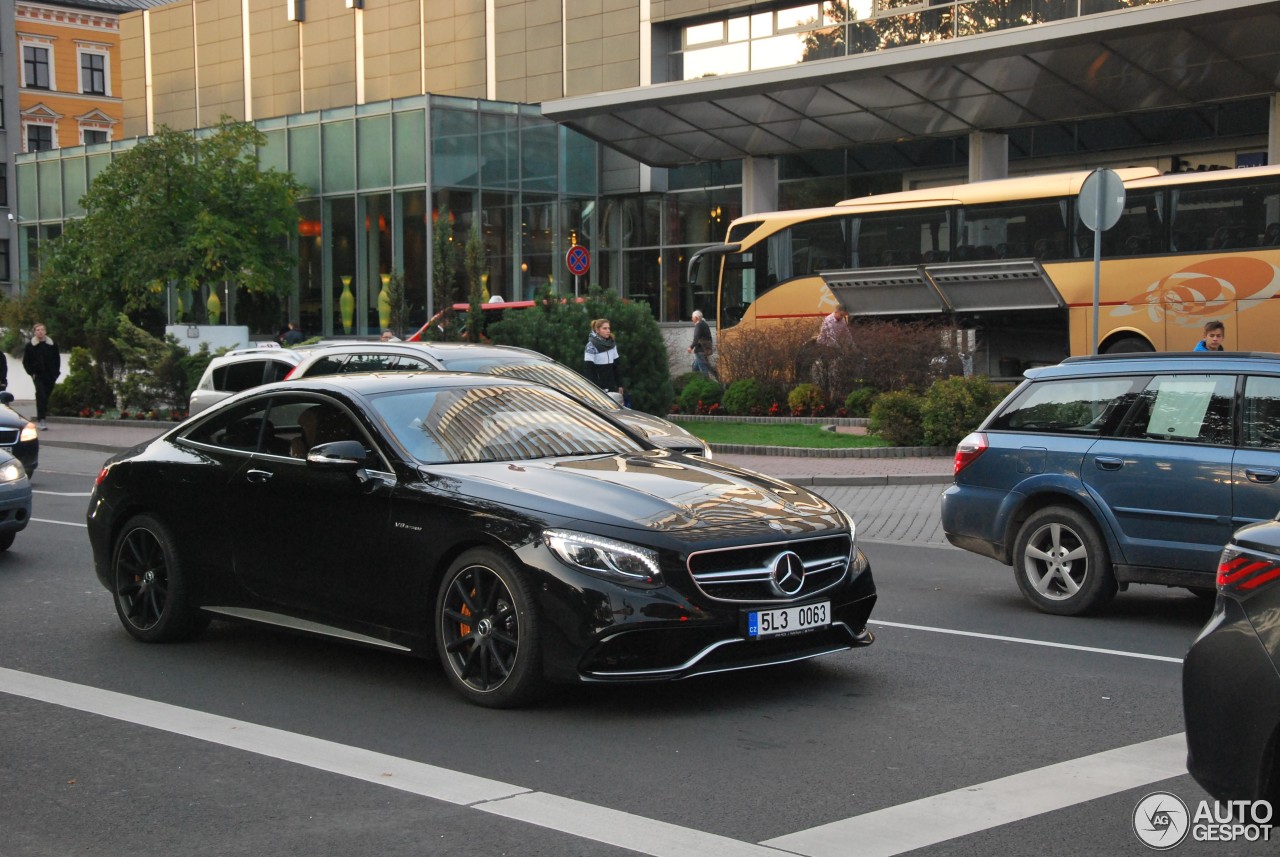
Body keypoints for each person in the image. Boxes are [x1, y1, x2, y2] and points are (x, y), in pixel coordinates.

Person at [23, 323, 60, 430]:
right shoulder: (30, 346)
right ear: (34, 332)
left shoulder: (52, 345)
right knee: (41, 395)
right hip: (38, 375)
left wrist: (55, 374)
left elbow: (57, 360)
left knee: (46, 397)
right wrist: (32, 373)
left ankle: (43, 415)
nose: (40, 331)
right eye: (38, 330)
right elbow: (26, 362)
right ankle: (41, 420)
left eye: (42, 329)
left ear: (45, 331)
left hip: (50, 376)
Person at [583, 318, 623, 399]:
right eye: (604, 328)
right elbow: (589, 369)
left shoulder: (612, 344)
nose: (608, 330)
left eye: (609, 328)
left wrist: (620, 385)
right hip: (599, 388)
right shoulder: (591, 346)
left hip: (612, 386)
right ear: (597, 330)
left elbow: (616, 366)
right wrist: (594, 388)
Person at [687, 310, 718, 379]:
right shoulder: (704, 324)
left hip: (700, 350)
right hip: (705, 349)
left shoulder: (699, 326)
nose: (692, 319)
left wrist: (691, 347)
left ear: (696, 318)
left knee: (703, 368)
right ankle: (716, 375)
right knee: (695, 367)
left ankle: (706, 383)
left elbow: (696, 338)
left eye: (693, 317)